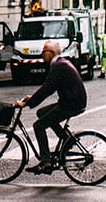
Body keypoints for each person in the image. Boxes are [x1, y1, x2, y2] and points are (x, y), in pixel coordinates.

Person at [14, 42, 87, 174]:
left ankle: (46, 161)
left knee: (39, 126)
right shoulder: (59, 63)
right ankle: (67, 139)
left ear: (51, 53)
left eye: (44, 52)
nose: (41, 54)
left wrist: (27, 103)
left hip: (72, 104)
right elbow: (48, 87)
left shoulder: (58, 66)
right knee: (41, 113)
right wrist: (32, 98)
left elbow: (47, 89)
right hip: (72, 101)